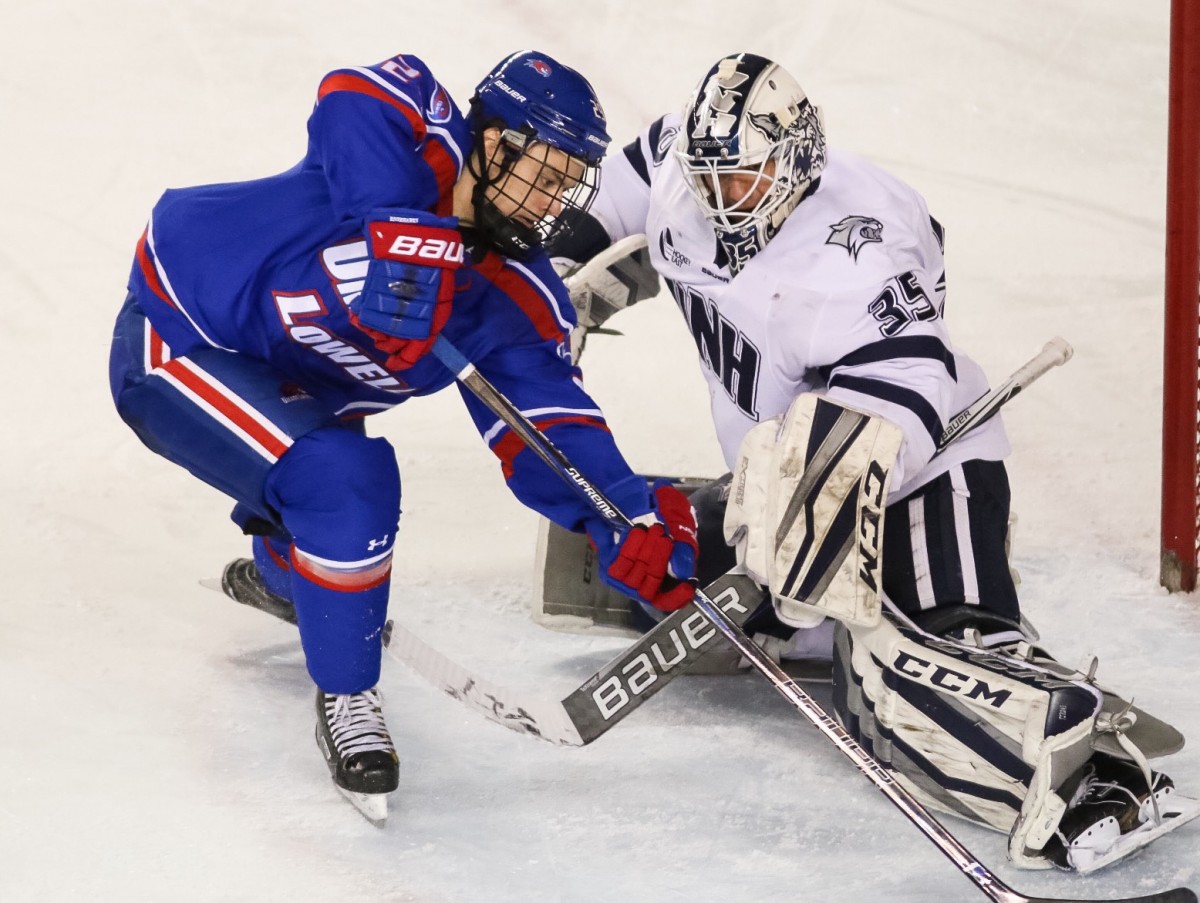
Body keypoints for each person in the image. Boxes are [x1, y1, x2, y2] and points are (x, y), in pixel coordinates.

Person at [544, 52, 1198, 872]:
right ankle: (808, 608)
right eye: (710, 179)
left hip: (925, 480)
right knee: (654, 569)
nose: (720, 200)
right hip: (778, 483)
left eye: (741, 181)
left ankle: (1083, 772)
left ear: (797, 160)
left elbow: (906, 389)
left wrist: (807, 533)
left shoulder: (861, 248)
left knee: (892, 689)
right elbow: (623, 197)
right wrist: (556, 272)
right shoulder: (692, 168)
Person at [108, 50, 699, 823]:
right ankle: (348, 696)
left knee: (332, 491)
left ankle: (288, 570)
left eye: (567, 185)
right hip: (184, 326)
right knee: (350, 484)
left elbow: (549, 426)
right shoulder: (422, 139)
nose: (551, 204)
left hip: (297, 394)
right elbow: (355, 94)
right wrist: (403, 234)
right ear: (494, 144)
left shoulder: (518, 296)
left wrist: (626, 515)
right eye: (543, 175)